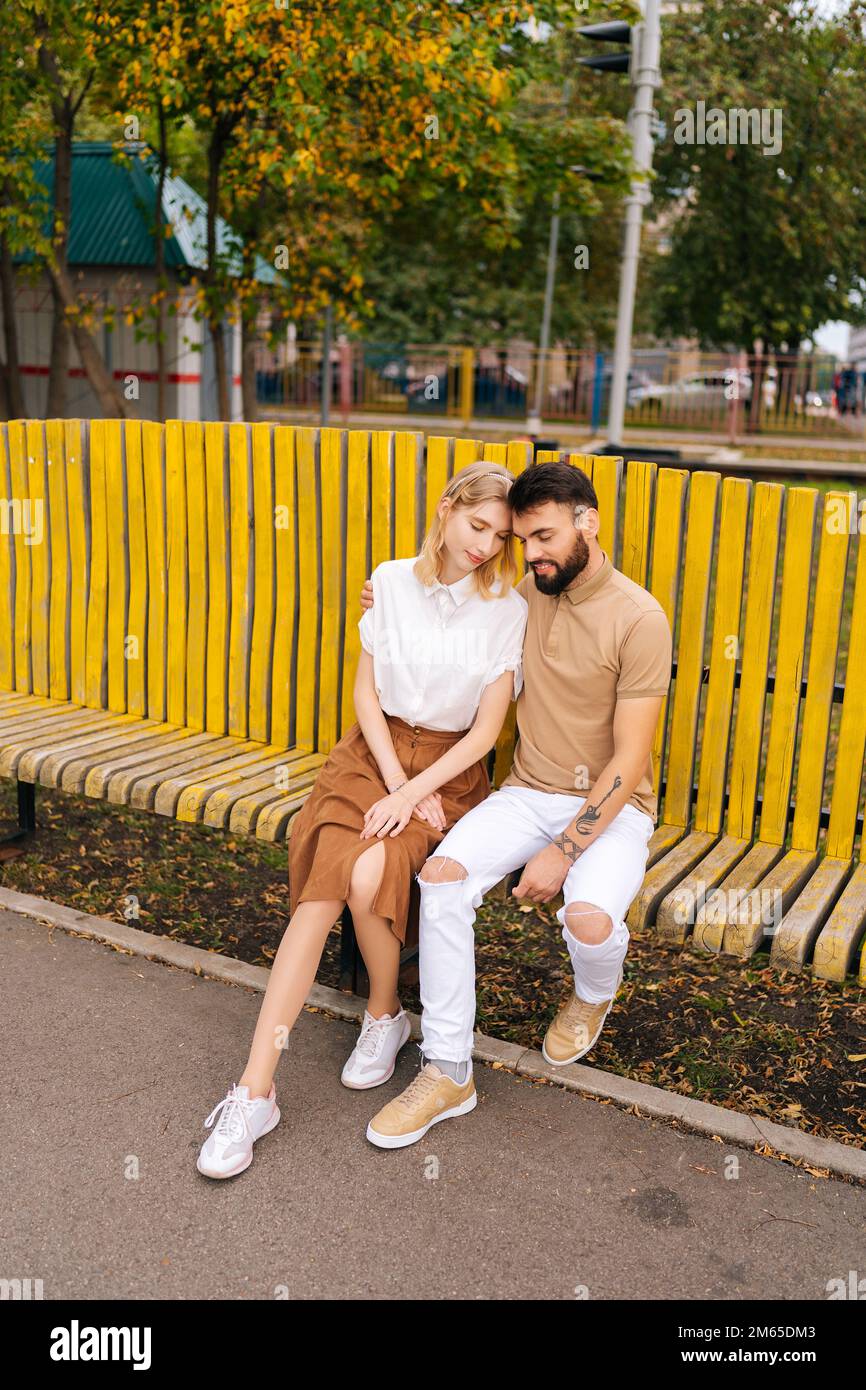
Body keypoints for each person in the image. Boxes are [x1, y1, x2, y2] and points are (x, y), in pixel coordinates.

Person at [196, 461, 528, 1178]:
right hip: (372, 756)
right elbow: (366, 694)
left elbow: (484, 735)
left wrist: (413, 794)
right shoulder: (391, 582)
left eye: (499, 537)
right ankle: (254, 1091)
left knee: (371, 868)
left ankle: (385, 1012)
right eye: (476, 526)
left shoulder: (507, 608)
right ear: (445, 510)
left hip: (449, 771)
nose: (485, 546)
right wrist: (395, 781)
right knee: (322, 892)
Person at [358, 459, 673, 1149]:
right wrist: (384, 600)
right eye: (522, 541)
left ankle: (592, 993)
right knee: (440, 879)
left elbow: (631, 761)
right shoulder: (522, 595)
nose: (530, 555)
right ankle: (447, 1071)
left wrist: (565, 852)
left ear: (588, 523)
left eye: (545, 537)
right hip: (525, 793)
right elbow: (436, 595)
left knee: (587, 921)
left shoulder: (640, 619)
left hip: (612, 807)